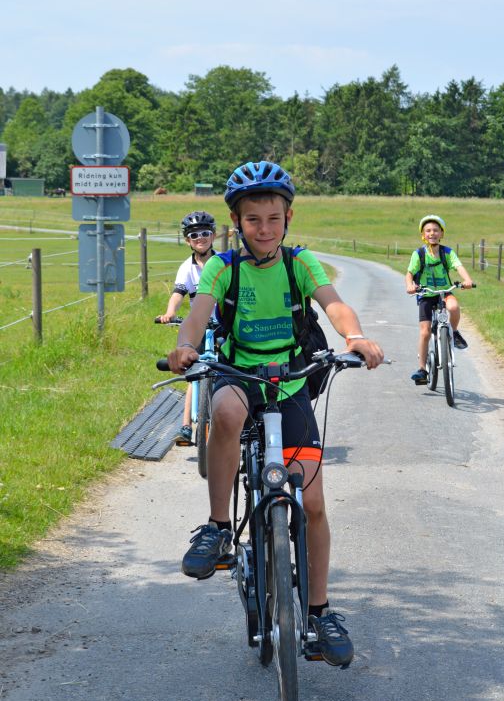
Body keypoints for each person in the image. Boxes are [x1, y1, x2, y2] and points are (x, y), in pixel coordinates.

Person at [167, 161, 383, 667]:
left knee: (312, 504)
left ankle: (320, 610)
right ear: (236, 224)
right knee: (222, 409)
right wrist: (184, 345)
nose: (263, 229)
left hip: (290, 382)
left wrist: (354, 337)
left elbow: (333, 303)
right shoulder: (223, 267)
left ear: (288, 218)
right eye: (252, 220)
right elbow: (198, 314)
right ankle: (219, 526)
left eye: (273, 219)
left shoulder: (300, 263)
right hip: (241, 377)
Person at [157, 211, 217, 443]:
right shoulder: (186, 268)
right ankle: (185, 426)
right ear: (187, 240)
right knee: (194, 372)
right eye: (194, 235)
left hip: (224, 326)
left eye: (204, 233)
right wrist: (170, 313)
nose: (200, 238)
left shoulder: (223, 262)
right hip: (199, 326)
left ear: (213, 236)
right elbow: (178, 293)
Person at [405, 214, 474, 385]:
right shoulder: (419, 254)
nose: (432, 233)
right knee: (425, 332)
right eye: (428, 230)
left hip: (444, 292)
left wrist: (467, 280)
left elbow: (459, 267)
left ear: (442, 233)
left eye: (436, 230)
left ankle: (454, 332)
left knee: (453, 307)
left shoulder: (447, 252)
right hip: (426, 295)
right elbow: (410, 274)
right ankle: (422, 369)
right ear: (423, 234)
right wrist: (410, 285)